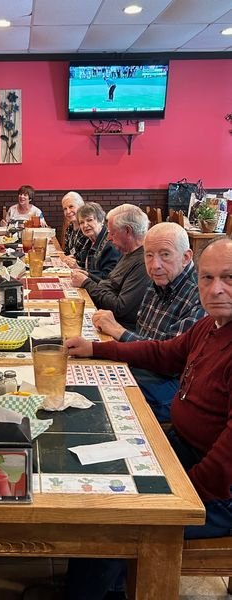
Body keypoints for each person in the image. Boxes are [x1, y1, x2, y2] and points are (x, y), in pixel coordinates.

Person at [64, 237, 232, 600]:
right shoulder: (211, 326)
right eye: (206, 278)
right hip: (182, 450)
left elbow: (226, 462)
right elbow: (161, 353)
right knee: (95, 482)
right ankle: (107, 585)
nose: (215, 289)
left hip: (220, 492)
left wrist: (179, 499)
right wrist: (96, 348)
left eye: (228, 278)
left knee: (110, 523)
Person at [92, 222, 205, 421]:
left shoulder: (200, 295)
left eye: (165, 254)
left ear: (186, 257)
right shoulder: (157, 282)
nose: (155, 265)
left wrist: (119, 331)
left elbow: (171, 363)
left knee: (102, 396)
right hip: (145, 365)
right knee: (92, 372)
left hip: (177, 386)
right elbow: (146, 337)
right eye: (149, 255)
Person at [71, 204, 150, 331]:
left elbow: (120, 308)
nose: (108, 238)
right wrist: (89, 276)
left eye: (112, 232)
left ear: (128, 231)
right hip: (105, 316)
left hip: (118, 328)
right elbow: (110, 284)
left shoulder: (144, 262)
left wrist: (87, 283)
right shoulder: (128, 252)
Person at [71, 202, 121, 282]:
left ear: (101, 220)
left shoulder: (110, 244)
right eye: (81, 222)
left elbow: (107, 276)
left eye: (89, 220)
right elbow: (81, 261)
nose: (85, 225)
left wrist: (81, 270)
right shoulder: (88, 240)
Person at [60, 191, 85, 266]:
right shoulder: (69, 228)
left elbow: (85, 260)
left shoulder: (86, 229)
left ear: (81, 206)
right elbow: (67, 253)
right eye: (65, 209)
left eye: (71, 207)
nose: (68, 211)